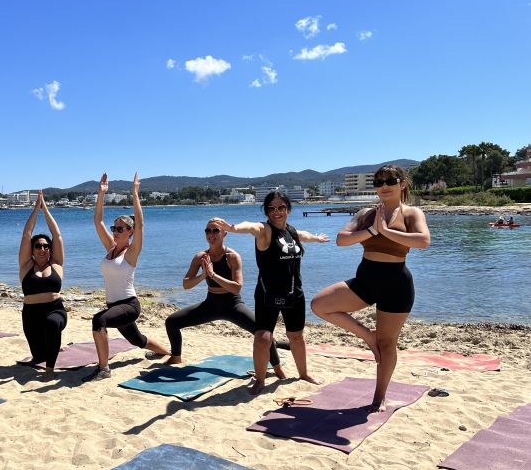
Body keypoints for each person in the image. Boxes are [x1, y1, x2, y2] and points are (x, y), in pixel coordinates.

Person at [311, 165, 430, 412]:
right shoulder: (366, 213)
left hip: (397, 285)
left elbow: (423, 241)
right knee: (319, 305)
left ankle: (379, 397)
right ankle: (368, 336)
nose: (384, 185)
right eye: (378, 182)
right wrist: (373, 230)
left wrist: (386, 231)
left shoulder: (411, 213)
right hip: (365, 282)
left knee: (388, 344)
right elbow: (342, 239)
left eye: (390, 180)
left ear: (402, 184)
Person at [212, 192, 328, 395]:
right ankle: (259, 379)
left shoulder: (291, 231)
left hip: (294, 292)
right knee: (263, 338)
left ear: (288, 209)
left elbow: (303, 235)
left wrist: (317, 239)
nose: (277, 212)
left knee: (297, 336)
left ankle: (304, 374)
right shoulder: (264, 231)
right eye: (271, 208)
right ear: (266, 211)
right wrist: (232, 228)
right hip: (268, 293)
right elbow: (250, 226)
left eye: (281, 207)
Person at [159, 218, 286, 377]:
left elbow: (237, 287)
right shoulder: (201, 257)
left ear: (225, 233)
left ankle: (277, 368)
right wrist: (203, 275)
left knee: (263, 332)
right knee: (171, 322)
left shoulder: (232, 257)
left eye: (215, 230)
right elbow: (186, 284)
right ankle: (176, 356)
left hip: (233, 305)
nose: (211, 234)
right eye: (208, 231)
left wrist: (213, 275)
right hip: (210, 304)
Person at [85, 172, 170, 381]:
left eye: (120, 229)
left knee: (99, 320)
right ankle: (167, 353)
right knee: (137, 340)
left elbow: (141, 224)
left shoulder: (131, 253)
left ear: (130, 232)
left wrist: (135, 193)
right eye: (114, 228)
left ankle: (104, 369)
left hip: (129, 306)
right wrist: (101, 194)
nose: (115, 231)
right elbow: (97, 221)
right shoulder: (111, 248)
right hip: (114, 306)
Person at [18, 191, 67, 381]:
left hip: (55, 310)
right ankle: (48, 353)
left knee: (52, 324)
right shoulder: (26, 266)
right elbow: (26, 234)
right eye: (38, 245)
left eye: (46, 246)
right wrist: (35, 209)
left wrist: (45, 208)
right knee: (39, 355)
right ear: (32, 249)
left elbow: (57, 234)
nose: (43, 248)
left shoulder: (56, 264)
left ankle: (50, 370)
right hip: (31, 315)